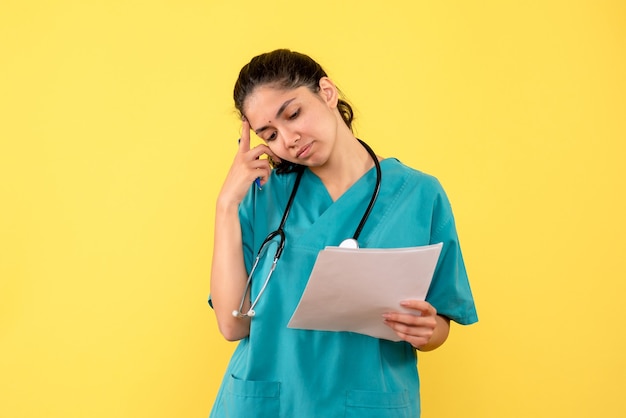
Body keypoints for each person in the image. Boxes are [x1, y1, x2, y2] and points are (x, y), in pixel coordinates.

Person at [208, 48, 477, 418]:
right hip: (268, 405)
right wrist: (225, 205)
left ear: (328, 92)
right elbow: (231, 324)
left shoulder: (419, 195)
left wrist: (428, 330)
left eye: (293, 114)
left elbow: (440, 322)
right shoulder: (261, 194)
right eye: (269, 134)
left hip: (367, 404)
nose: (287, 139)